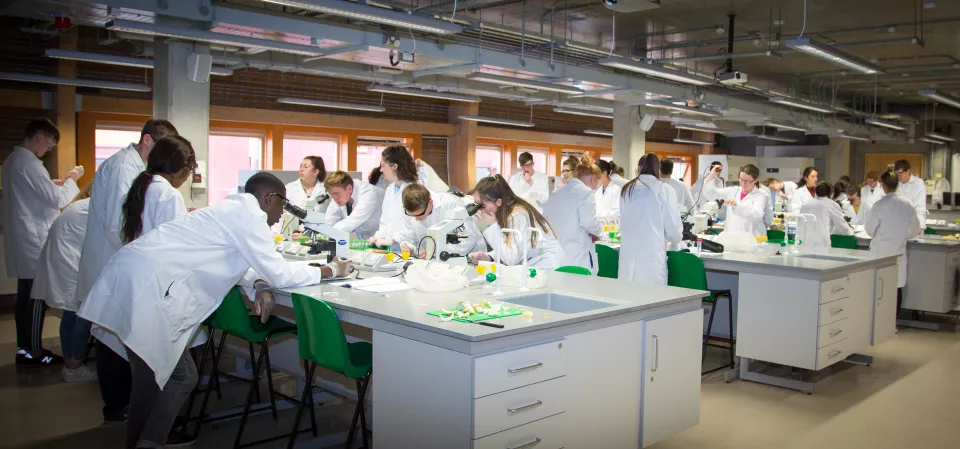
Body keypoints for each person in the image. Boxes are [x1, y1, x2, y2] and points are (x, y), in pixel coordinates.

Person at [77, 172, 354, 449]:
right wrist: (329, 270)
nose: (281, 214)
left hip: (139, 280)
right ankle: (146, 442)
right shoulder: (249, 216)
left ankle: (145, 441)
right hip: (146, 287)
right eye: (282, 205)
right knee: (165, 378)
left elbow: (237, 259)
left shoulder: (233, 209)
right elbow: (279, 273)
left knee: (160, 378)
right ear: (269, 198)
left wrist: (258, 282)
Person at [75, 118, 178, 424]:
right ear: (147, 140)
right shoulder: (124, 167)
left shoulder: (134, 166)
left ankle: (120, 403)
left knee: (115, 335)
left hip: (118, 261)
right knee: (113, 337)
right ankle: (118, 406)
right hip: (114, 260)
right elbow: (119, 224)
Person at [3, 118, 85, 367]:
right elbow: (57, 200)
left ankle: (25, 347)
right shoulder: (29, 164)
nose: (48, 149)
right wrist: (72, 178)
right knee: (35, 296)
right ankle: (34, 351)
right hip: (33, 237)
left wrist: (51, 184)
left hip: (24, 234)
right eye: (49, 144)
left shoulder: (13, 162)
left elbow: (35, 194)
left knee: (25, 295)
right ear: (39, 137)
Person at [31, 184, 94, 382]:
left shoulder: (82, 205)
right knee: (81, 315)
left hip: (64, 261)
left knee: (71, 314)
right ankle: (74, 367)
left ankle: (71, 364)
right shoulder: (93, 208)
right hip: (68, 263)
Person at [467, 176, 564, 270]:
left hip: (548, 266)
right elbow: (511, 244)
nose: (479, 210)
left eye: (482, 205)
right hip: (535, 264)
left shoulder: (518, 215)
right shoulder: (507, 211)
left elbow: (511, 258)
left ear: (498, 202)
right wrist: (489, 257)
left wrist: (491, 226)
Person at [618, 154, 683, 285]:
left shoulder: (626, 189)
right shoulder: (664, 189)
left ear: (639, 169)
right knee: (652, 302)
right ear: (657, 169)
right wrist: (676, 239)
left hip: (627, 259)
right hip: (651, 262)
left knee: (629, 301)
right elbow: (674, 232)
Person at [866, 170, 921, 316]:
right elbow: (916, 229)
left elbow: (869, 229)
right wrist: (903, 235)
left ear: (883, 186)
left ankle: (878, 320)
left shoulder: (879, 205)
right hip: (898, 250)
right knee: (896, 287)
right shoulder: (907, 204)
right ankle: (893, 321)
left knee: (878, 287)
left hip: (879, 252)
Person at [544, 161, 603, 274]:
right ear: (593, 178)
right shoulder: (586, 193)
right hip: (579, 258)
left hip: (558, 256)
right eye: (597, 183)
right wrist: (598, 232)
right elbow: (588, 222)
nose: (596, 187)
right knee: (582, 289)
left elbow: (545, 220)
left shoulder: (556, 193)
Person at [397, 183, 483, 259]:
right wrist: (408, 247)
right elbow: (407, 238)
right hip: (431, 261)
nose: (416, 219)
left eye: (420, 214)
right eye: (412, 215)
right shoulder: (410, 210)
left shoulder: (451, 203)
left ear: (430, 203)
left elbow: (470, 238)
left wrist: (435, 251)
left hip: (469, 258)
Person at [369, 146, 419, 247]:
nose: (381, 170)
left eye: (383, 165)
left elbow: (412, 225)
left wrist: (393, 240)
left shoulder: (413, 190)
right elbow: (385, 220)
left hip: (407, 246)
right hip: (390, 246)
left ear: (394, 166)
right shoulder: (390, 189)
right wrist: (378, 236)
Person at [706, 164, 768, 237]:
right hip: (732, 237)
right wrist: (711, 176)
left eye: (747, 181)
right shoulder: (733, 191)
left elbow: (757, 215)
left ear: (756, 181)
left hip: (751, 238)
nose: (743, 183)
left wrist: (737, 205)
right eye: (741, 179)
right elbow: (712, 194)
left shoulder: (760, 195)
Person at [323, 171, 385, 240]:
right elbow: (329, 221)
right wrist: (322, 234)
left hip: (382, 240)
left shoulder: (368, 193)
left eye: (336, 194)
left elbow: (352, 222)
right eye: (332, 195)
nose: (335, 198)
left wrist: (328, 234)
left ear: (349, 188)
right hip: (364, 241)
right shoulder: (340, 193)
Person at [798, 182, 853, 248]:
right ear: (831, 193)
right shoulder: (831, 204)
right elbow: (842, 228)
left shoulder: (805, 205)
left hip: (803, 243)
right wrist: (851, 230)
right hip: (821, 244)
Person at [893, 159, 928, 235]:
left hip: (915, 225)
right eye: (897, 174)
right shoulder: (897, 184)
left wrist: (917, 228)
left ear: (908, 171)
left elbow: (919, 209)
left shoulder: (918, 184)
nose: (898, 177)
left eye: (900, 173)